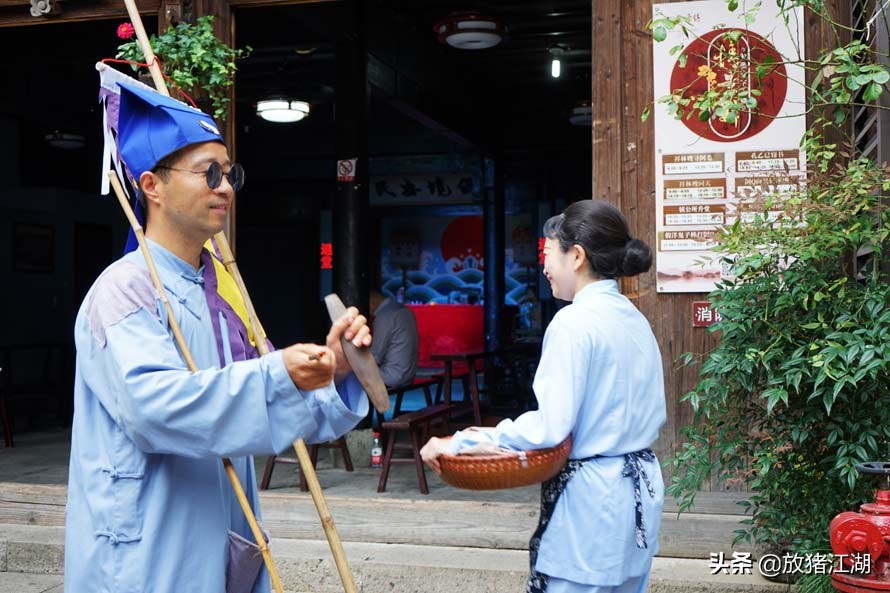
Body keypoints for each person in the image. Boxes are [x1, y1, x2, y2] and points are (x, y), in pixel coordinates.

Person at [65, 81, 373, 593]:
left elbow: (272, 406)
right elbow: (152, 409)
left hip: (219, 527)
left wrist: (332, 368)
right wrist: (278, 373)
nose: (225, 187)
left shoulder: (223, 294)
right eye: (209, 173)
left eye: (230, 174)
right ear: (151, 186)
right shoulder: (124, 291)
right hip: (147, 548)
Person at [421, 200, 666, 593]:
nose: (544, 266)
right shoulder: (633, 317)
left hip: (594, 504)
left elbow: (548, 429)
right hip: (640, 492)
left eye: (548, 253)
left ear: (577, 257)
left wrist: (465, 441)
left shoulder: (573, 323)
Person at [369, 288, 419, 389]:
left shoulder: (384, 315)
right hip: (409, 374)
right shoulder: (404, 310)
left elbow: (375, 356)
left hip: (391, 377)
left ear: (372, 302)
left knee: (352, 375)